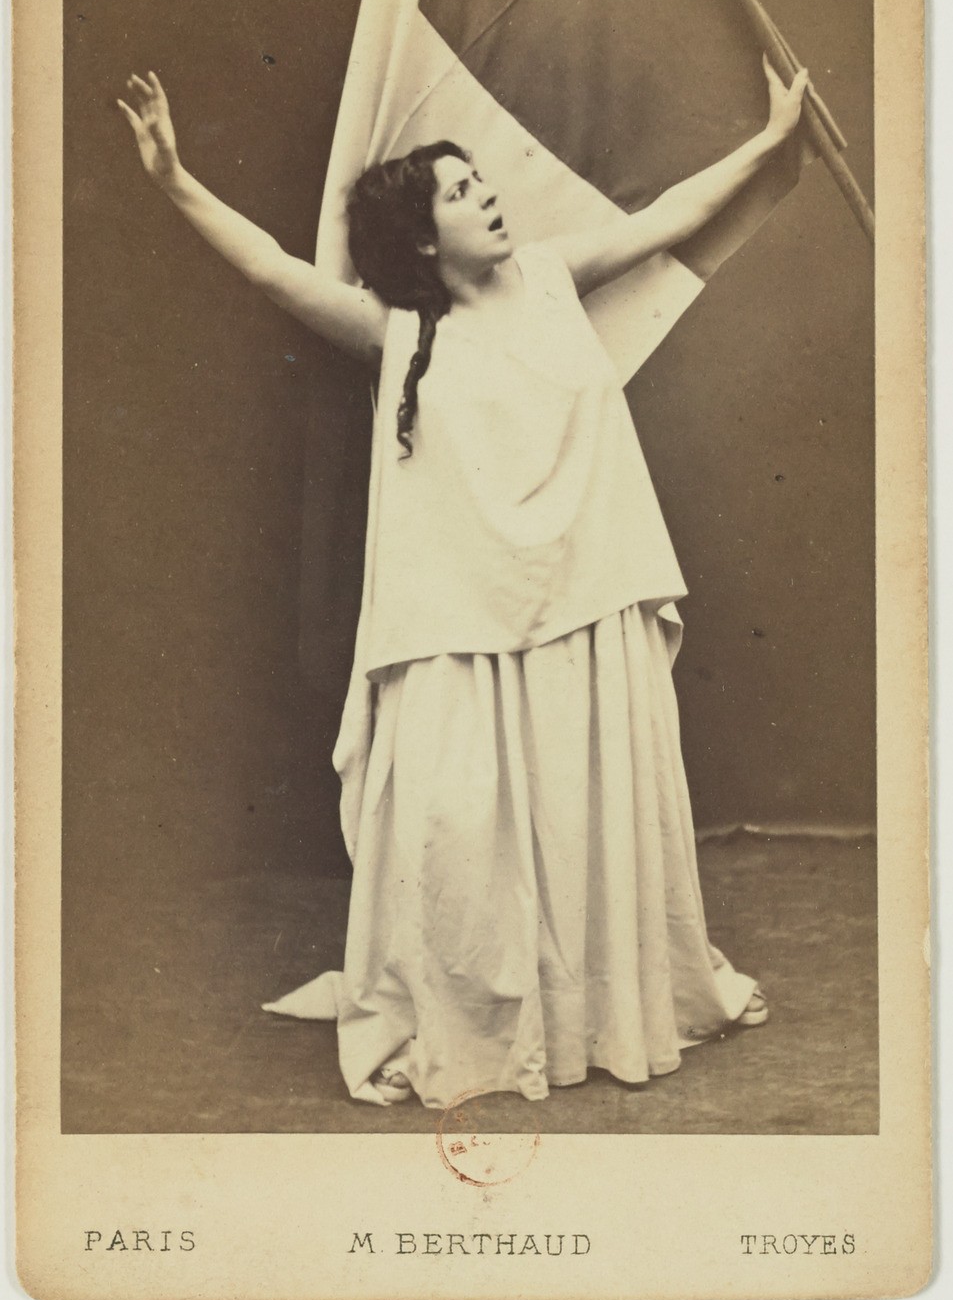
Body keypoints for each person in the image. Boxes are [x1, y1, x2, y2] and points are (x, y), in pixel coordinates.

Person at [118, 57, 809, 1109]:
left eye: (480, 182)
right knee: (454, 840)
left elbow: (669, 215)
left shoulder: (549, 276)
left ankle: (596, 1013)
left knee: (589, 831)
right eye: (459, 191)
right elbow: (267, 267)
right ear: (421, 237)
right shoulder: (392, 331)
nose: (487, 195)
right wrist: (173, 178)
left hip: (586, 601)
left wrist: (769, 141)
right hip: (458, 627)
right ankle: (482, 1019)